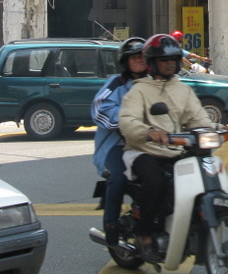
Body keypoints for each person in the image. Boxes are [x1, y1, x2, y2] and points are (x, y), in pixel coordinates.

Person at [119, 34, 214, 262]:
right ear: (152, 62)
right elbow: (127, 120)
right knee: (156, 181)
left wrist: (218, 130)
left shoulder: (183, 89)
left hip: (175, 150)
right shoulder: (139, 90)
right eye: (164, 59)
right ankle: (144, 235)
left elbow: (198, 118)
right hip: (143, 151)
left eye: (173, 59)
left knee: (199, 179)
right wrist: (148, 131)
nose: (170, 63)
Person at [91, 36, 148, 246]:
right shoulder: (117, 83)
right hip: (117, 146)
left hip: (148, 144)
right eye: (134, 57)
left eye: (142, 56)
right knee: (119, 177)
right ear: (126, 62)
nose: (138, 60)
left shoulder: (155, 82)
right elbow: (99, 108)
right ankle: (112, 225)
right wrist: (126, 121)